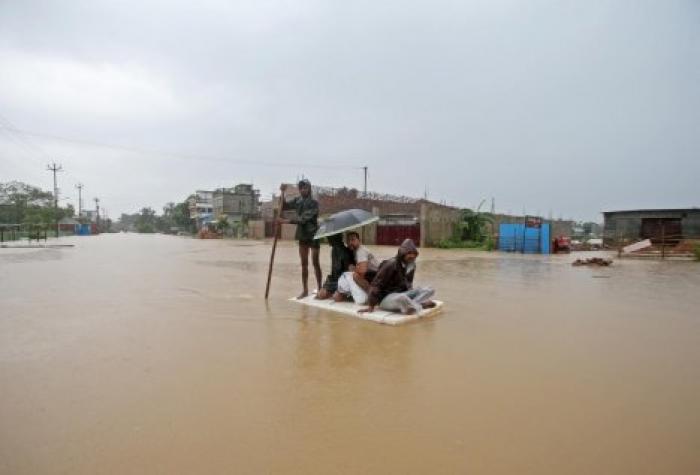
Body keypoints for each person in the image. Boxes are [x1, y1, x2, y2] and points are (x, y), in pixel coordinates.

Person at [359, 238, 436, 315]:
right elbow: (376, 284)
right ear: (402, 253)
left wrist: (413, 294)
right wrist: (371, 306)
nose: (412, 256)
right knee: (402, 298)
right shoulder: (391, 264)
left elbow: (409, 283)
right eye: (409, 253)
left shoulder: (412, 265)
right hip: (386, 298)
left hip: (403, 294)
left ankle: (412, 305)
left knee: (429, 289)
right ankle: (418, 305)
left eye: (414, 253)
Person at [278, 179, 322, 299]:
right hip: (302, 235)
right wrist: (282, 192)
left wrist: (286, 221)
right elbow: (284, 206)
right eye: (301, 188)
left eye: (305, 188)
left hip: (313, 234)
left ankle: (320, 288)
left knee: (315, 262)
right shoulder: (297, 200)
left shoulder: (314, 203)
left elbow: (304, 219)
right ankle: (305, 290)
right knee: (304, 264)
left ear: (309, 189)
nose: (303, 190)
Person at [334, 231, 380, 304]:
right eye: (348, 241)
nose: (350, 243)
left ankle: (373, 297)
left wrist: (354, 269)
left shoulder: (361, 251)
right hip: (371, 275)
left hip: (376, 276)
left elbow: (362, 271)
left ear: (359, 241)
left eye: (353, 240)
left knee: (355, 276)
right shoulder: (355, 252)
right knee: (351, 276)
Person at [316, 233, 355, 300]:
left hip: (343, 280)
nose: (328, 240)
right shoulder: (334, 250)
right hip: (334, 279)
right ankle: (333, 291)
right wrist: (327, 285)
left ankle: (346, 295)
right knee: (320, 295)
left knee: (336, 297)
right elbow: (333, 271)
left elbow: (348, 274)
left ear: (334, 239)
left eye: (329, 238)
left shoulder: (345, 252)